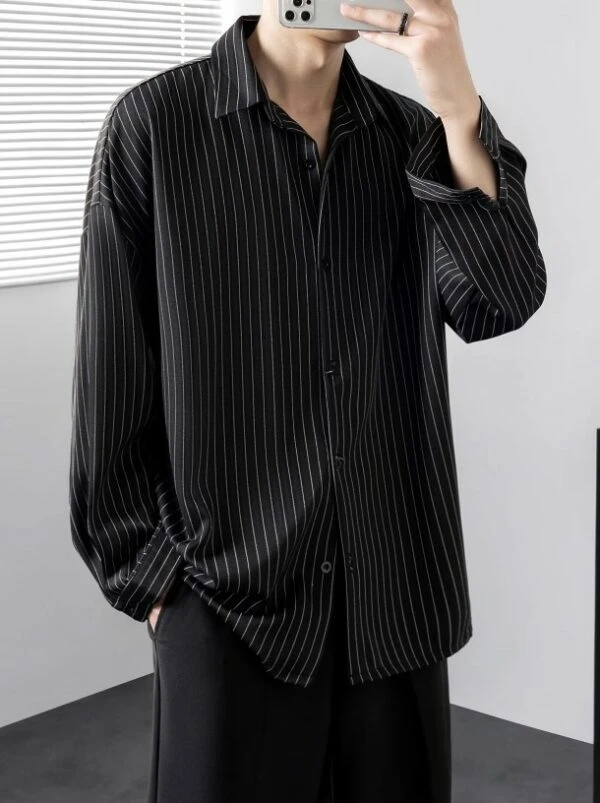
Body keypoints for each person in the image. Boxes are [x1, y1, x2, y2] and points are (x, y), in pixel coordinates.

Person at [68, 0, 547, 801]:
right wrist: (159, 587)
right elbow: (111, 372)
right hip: (224, 605)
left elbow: (499, 299)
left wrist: (458, 106)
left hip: (395, 603)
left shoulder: (412, 133)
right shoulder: (155, 126)